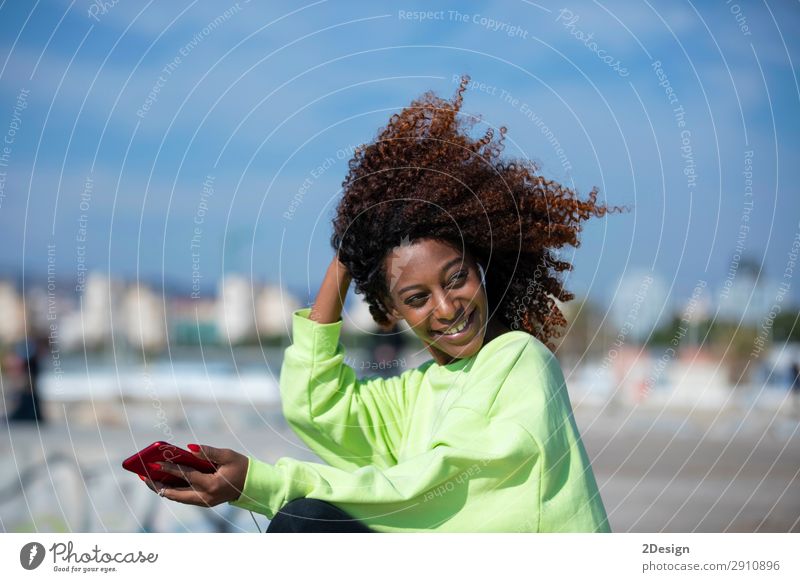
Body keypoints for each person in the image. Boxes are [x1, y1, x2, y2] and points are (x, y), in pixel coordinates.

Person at [141, 76, 622, 532]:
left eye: (456, 279)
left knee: (307, 521)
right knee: (309, 518)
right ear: (392, 311)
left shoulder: (520, 361)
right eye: (416, 298)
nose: (447, 307)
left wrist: (259, 483)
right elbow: (317, 404)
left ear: (483, 265)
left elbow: (435, 488)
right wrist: (348, 256)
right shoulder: (417, 392)